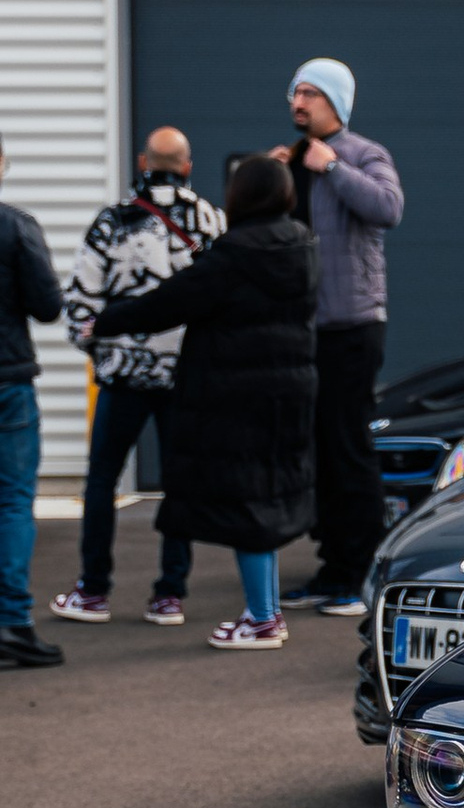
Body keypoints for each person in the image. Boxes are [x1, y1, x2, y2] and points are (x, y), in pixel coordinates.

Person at [126, 156, 320, 650]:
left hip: (237, 393)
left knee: (247, 505)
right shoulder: (302, 244)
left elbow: (170, 302)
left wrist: (104, 322)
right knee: (268, 499)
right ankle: (267, 613)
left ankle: (260, 620)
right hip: (290, 388)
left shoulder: (234, 254)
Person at [51, 126, 225, 627]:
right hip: (184, 378)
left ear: (144, 161)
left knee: (103, 478)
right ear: (187, 166)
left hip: (123, 376)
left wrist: (98, 349)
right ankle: (170, 595)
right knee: (179, 482)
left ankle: (93, 591)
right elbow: (223, 297)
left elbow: (79, 304)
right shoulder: (211, 219)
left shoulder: (112, 221)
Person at [266, 59, 402, 616]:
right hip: (305, 330)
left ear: (336, 103)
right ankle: (331, 567)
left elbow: (389, 209)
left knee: (349, 448)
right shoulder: (290, 158)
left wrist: (334, 167)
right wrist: (273, 177)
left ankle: (361, 572)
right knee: (316, 451)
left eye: (309, 94)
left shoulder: (364, 153)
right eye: (294, 92)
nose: (297, 103)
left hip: (353, 328)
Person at [0, 135, 66, 670]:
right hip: (7, 383)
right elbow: (48, 306)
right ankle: (11, 624)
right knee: (13, 503)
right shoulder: (16, 226)